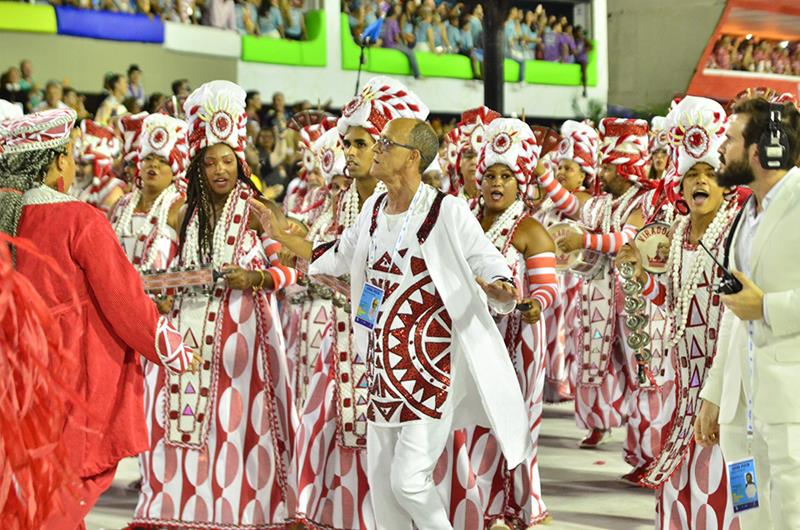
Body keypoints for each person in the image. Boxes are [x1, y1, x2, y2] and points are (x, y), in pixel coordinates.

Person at [253, 114, 531, 530]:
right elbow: (334, 253)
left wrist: (499, 285)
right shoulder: (373, 210)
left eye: (386, 144)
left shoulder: (445, 210)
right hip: (381, 371)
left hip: (430, 371)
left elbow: (487, 259)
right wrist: (280, 233)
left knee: (410, 482)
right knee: (383, 488)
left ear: (412, 158)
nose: (377, 149)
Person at [0, 108, 197, 530]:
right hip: (72, 391)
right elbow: (124, 301)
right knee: (56, 505)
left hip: (16, 392)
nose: (74, 165)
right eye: (70, 155)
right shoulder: (80, 220)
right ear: (56, 164)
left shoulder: (9, 220)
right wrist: (172, 347)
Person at [128, 80, 299, 529]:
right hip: (186, 342)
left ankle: (247, 514)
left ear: (239, 162)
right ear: (197, 166)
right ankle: (180, 511)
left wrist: (257, 277)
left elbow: (292, 270)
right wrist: (159, 294)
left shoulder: (261, 209)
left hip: (246, 346)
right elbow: (155, 273)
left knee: (241, 430)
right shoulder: (181, 212)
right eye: (210, 162)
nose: (219, 170)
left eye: (227, 160)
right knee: (177, 424)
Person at [286, 77, 429, 530]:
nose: (348, 152)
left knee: (402, 456)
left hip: (407, 351)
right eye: (346, 143)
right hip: (343, 342)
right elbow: (315, 257)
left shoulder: (422, 207)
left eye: (360, 143)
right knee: (328, 426)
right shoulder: (339, 207)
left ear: (387, 149)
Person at [618, 96, 743, 528]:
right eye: (692, 174)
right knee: (682, 482)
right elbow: (672, 300)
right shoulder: (677, 233)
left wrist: (718, 388)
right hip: (686, 381)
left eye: (710, 172)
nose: (700, 181)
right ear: (679, 183)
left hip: (730, 384)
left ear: (727, 181)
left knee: (732, 481)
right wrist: (640, 276)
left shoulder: (739, 230)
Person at [695, 95, 800, 529]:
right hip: (741, 417)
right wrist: (715, 392)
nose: (721, 148)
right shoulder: (745, 214)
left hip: (790, 411)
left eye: (731, 139)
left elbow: (756, 306)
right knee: (750, 515)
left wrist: (769, 307)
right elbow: (735, 313)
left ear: (763, 149)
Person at [536, 118, 654, 453]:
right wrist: (543, 173)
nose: (601, 175)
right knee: (597, 364)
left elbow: (630, 239)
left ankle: (644, 449)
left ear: (626, 168)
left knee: (639, 376)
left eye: (609, 169)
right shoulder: (603, 204)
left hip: (636, 304)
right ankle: (601, 423)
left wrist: (584, 238)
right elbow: (572, 205)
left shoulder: (645, 202)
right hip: (599, 299)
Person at [472, 117, 558, 528]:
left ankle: (520, 504)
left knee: (514, 421)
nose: (497, 183)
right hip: (471, 338)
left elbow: (547, 288)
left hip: (517, 340)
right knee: (474, 421)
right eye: (490, 174)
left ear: (520, 182)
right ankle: (477, 499)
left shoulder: (531, 230)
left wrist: (533, 305)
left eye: (506, 175)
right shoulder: (465, 221)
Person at [535, 120, 600, 403]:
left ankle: (564, 383)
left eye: (568, 169)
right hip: (549, 277)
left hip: (572, 282)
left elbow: (567, 204)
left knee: (567, 333)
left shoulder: (585, 201)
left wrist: (544, 176)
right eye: (559, 167)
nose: (561, 173)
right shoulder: (550, 202)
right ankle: (549, 381)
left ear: (583, 175)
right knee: (547, 331)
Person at [70, 119, 126, 213]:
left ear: (100, 166)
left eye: (83, 164)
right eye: (76, 163)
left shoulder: (112, 191)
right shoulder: (74, 186)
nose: (76, 169)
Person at [649, 116, 669, 180]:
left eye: (664, 152)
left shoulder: (676, 187)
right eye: (655, 152)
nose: (659, 156)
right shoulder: (644, 186)